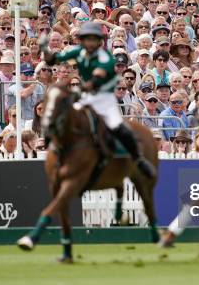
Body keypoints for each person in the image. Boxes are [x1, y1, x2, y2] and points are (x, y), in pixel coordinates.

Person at [42, 22, 156, 178]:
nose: (89, 42)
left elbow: (96, 80)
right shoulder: (79, 52)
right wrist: (46, 52)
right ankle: (52, 144)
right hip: (86, 96)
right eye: (86, 39)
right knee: (62, 113)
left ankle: (139, 160)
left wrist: (80, 90)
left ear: (99, 41)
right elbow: (56, 59)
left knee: (118, 126)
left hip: (103, 99)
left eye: (93, 39)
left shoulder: (106, 57)